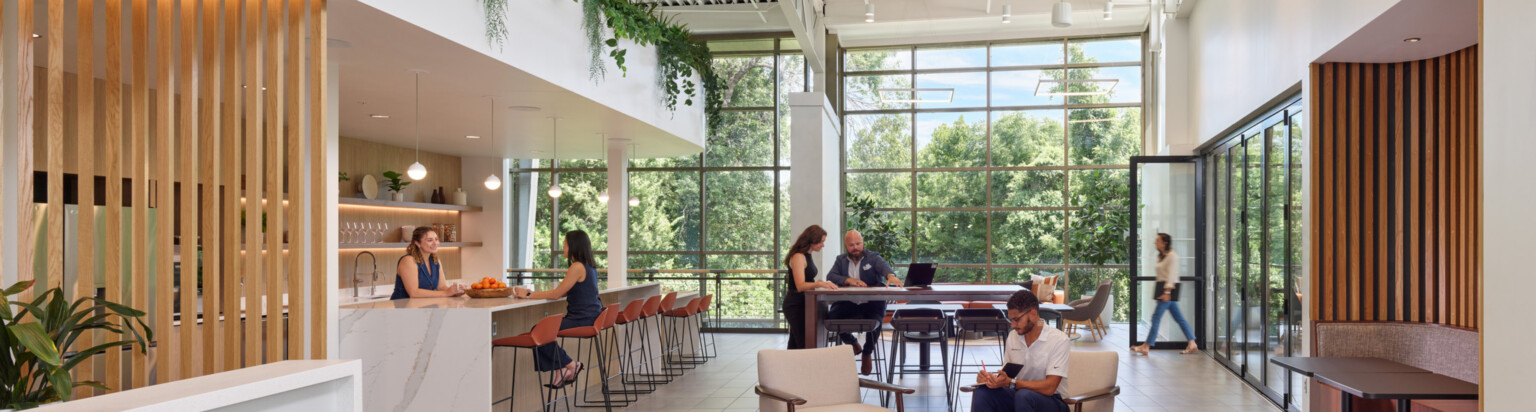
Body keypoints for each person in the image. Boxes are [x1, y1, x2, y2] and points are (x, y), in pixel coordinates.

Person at [509, 230, 603, 387]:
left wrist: (528, 294)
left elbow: (555, 294)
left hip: (582, 320)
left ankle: (571, 365)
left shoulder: (577, 267)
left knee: (539, 331)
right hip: (591, 317)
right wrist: (530, 294)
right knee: (541, 330)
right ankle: (562, 368)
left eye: (565, 243)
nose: (563, 247)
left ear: (574, 245)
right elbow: (563, 292)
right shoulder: (589, 266)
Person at [971, 290, 1070, 412]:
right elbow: (1008, 376)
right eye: (1011, 320)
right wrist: (992, 380)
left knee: (1024, 396)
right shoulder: (1013, 337)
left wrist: (1011, 383)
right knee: (983, 393)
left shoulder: (1059, 340)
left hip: (1053, 401)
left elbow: (1050, 387)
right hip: (1020, 396)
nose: (1012, 325)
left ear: (1033, 314)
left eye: (1016, 319)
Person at [825, 230, 903, 374]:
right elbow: (831, 276)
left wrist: (890, 276)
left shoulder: (873, 258)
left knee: (875, 320)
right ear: (846, 246)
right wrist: (848, 280)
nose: (855, 248)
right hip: (848, 303)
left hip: (871, 304)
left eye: (858, 244)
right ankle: (852, 342)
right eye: (851, 245)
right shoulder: (840, 260)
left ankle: (867, 352)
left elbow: (884, 267)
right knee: (831, 317)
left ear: (863, 243)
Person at [1132, 233, 1199, 355]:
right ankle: (1192, 342)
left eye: (1157, 240)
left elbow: (1172, 275)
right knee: (1179, 318)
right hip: (1162, 289)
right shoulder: (1162, 256)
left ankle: (1146, 346)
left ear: (1165, 243)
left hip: (1168, 290)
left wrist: (1167, 292)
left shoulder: (1172, 256)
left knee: (1156, 318)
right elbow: (1161, 275)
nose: (1155, 242)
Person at [782, 225, 839, 349]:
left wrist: (820, 285)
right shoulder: (798, 257)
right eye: (821, 241)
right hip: (795, 305)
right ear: (813, 240)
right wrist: (819, 284)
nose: (823, 245)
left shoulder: (807, 255)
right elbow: (800, 286)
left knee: (795, 343)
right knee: (803, 343)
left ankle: (792, 362)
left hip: (804, 303)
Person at [391, 227, 466, 300]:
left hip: (422, 306)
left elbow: (441, 287)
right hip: (402, 306)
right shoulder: (408, 260)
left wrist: (454, 292)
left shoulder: (435, 261)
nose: (435, 243)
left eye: (436, 239)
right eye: (430, 240)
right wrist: (447, 293)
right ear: (417, 243)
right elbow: (414, 293)